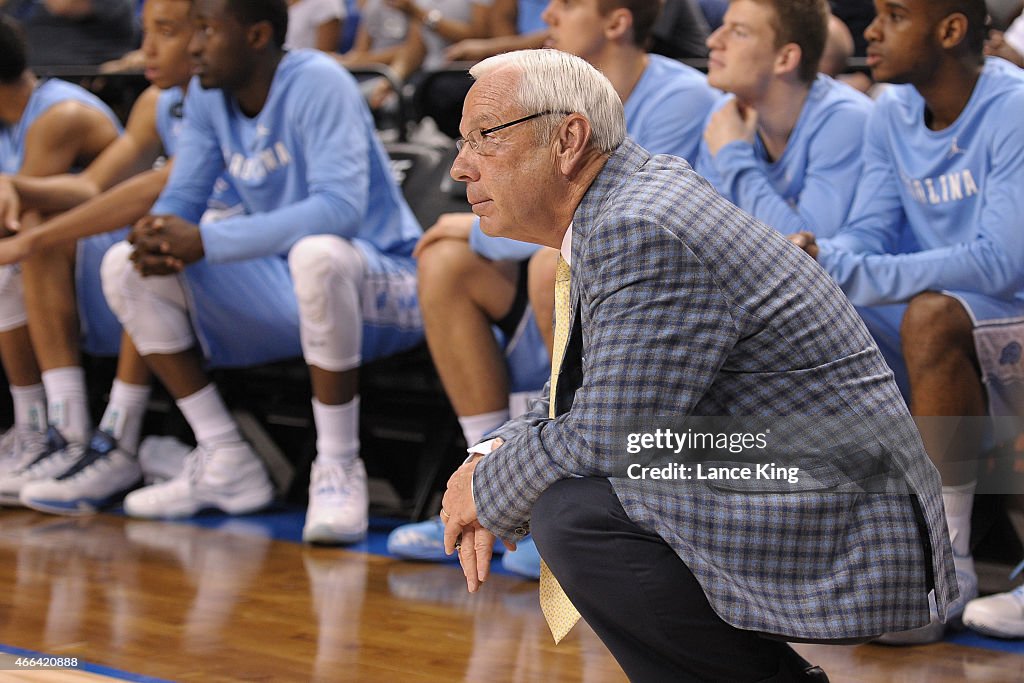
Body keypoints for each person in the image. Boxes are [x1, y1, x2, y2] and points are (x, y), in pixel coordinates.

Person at [439, 48, 955, 681]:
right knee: (575, 499)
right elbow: (594, 404)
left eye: (482, 140)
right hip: (785, 458)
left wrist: (485, 490)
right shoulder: (623, 206)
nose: (461, 167)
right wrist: (487, 457)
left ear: (567, 139)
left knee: (578, 512)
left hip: (841, 496)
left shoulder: (641, 228)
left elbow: (607, 433)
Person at [387, 0, 719, 570]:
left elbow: (613, 215)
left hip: (654, 317)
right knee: (444, 262)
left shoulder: (682, 98)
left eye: (569, 4)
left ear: (617, 22)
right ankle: (474, 497)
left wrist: (476, 230)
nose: (552, 16)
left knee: (553, 265)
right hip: (559, 262)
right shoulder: (542, 83)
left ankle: (525, 500)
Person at [103, 0, 423, 543]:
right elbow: (185, 194)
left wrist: (205, 239)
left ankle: (338, 465)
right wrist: (162, 234)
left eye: (207, 30)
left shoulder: (320, 81)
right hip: (289, 282)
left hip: (387, 281)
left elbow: (339, 210)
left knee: (317, 253)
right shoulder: (208, 94)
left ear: (254, 36)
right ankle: (224, 455)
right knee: (127, 268)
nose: (195, 46)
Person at [790, 0, 1024, 643]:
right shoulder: (891, 110)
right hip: (958, 315)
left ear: (950, 31)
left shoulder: (1014, 107)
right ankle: (835, 544)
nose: (870, 30)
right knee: (811, 311)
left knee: (927, 316)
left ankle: (945, 567)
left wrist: (855, 269)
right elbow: (873, 229)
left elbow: (1003, 263)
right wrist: (825, 258)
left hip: (1011, 312)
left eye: (893, 15)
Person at [0, 0, 240, 514]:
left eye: (167, 32)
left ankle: (105, 436)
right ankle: (54, 432)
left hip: (227, 260)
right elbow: (91, 185)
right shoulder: (155, 102)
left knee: (120, 239)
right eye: (146, 31)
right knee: (67, 240)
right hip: (176, 259)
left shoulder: (60, 111)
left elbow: (156, 186)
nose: (146, 49)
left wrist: (27, 234)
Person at [0, 14, 121, 487]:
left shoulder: (60, 116)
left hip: (110, 250)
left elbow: (13, 216)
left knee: (24, 237)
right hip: (56, 253)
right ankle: (31, 427)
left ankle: (60, 428)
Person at [695, 0, 871, 238]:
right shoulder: (726, 112)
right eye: (723, 26)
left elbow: (807, 250)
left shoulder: (846, 120)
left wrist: (733, 157)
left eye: (738, 32)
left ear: (786, 59)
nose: (713, 41)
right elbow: (707, 235)